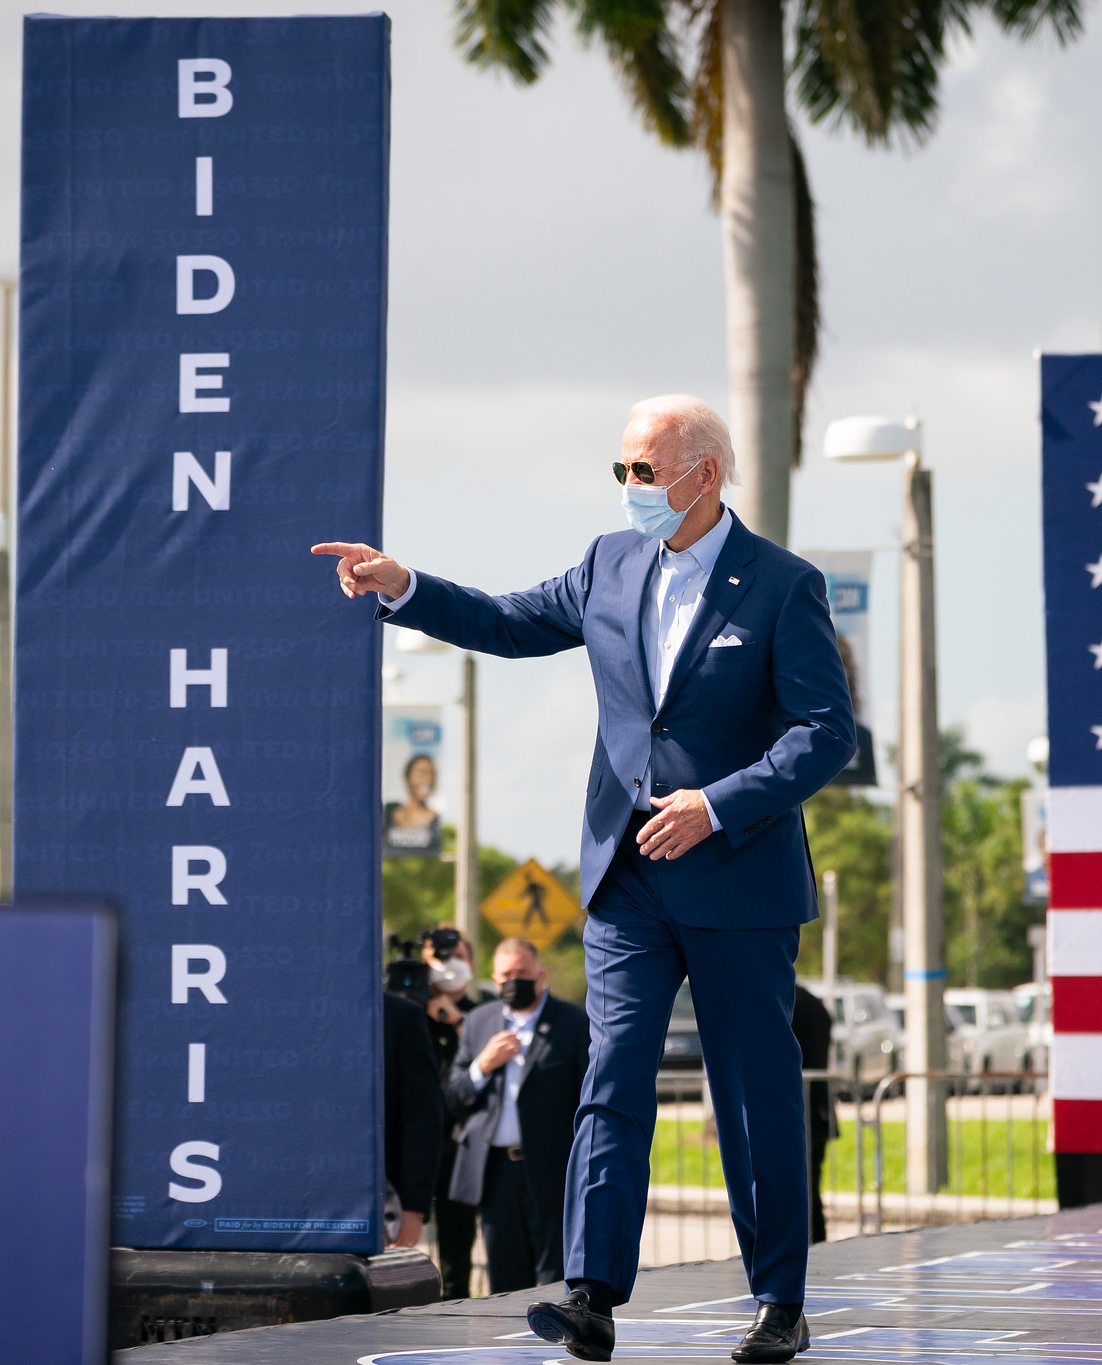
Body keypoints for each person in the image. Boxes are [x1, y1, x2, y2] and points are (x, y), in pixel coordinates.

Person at [314, 395, 855, 1363]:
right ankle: (590, 1292)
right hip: (626, 877)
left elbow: (825, 733)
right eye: (621, 470)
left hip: (737, 876)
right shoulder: (608, 564)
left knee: (751, 1091)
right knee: (610, 1075)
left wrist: (716, 803)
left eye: (643, 471)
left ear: (704, 474)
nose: (628, 489)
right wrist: (406, 587)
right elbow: (510, 621)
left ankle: (777, 1298)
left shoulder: (781, 585)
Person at [445, 938, 590, 1294]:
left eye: (522, 973)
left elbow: (586, 1095)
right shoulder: (479, 1022)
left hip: (551, 1169)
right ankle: (507, 1348)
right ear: (494, 979)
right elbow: (452, 1096)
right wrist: (484, 1064)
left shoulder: (572, 1022)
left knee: (555, 1277)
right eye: (507, 974)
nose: (515, 980)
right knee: (505, 1282)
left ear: (541, 976)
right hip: (495, 1172)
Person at [420, 925, 484, 1298]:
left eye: (459, 958)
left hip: (459, 1148)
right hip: (414, 1145)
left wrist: (458, 1021)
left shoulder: (485, 1014)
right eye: (441, 959)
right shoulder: (407, 1012)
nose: (450, 967)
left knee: (457, 1251)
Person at [384, 990, 444, 1250]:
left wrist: (413, 1208)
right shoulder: (287, 1011)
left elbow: (422, 1118)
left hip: (381, 1208)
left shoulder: (400, 1015)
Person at [790, 984, 836, 1244]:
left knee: (794, 1189)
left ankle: (806, 1244)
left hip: (796, 1111)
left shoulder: (783, 1002)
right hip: (818, 1110)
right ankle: (817, 1243)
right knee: (811, 1188)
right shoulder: (815, 1004)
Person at [385, 753, 444, 857]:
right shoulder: (389, 813)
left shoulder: (436, 820)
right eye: (422, 774)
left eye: (432, 774)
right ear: (407, 779)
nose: (428, 780)